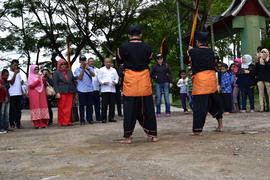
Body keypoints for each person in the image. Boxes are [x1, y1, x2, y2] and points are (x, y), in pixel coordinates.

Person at [117, 25, 159, 143]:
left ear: (129, 35)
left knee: (129, 111)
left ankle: (128, 137)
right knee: (148, 110)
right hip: (144, 81)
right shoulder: (147, 47)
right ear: (140, 35)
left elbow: (119, 61)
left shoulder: (123, 47)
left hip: (131, 82)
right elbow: (148, 59)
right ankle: (153, 135)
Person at [185, 31, 223, 135]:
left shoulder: (193, 52)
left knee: (199, 107)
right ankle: (220, 126)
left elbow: (186, 61)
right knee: (215, 103)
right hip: (211, 80)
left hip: (201, 81)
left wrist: (189, 52)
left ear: (197, 42)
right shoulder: (211, 51)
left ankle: (198, 130)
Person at [53, 59, 77, 126]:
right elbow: (55, 84)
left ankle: (68, 121)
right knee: (62, 108)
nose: (63, 65)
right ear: (59, 65)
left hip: (70, 91)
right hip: (61, 92)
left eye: (65, 64)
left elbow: (73, 80)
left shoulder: (69, 71)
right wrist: (57, 92)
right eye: (62, 64)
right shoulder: (56, 73)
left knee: (69, 108)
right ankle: (63, 122)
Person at [74, 55, 95, 125]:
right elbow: (80, 78)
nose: (83, 62)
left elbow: (93, 75)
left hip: (90, 89)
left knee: (90, 106)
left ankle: (90, 119)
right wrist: (83, 69)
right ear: (79, 61)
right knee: (82, 106)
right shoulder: (77, 69)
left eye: (84, 60)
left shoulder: (90, 68)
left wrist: (88, 69)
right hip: (81, 90)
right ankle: (82, 120)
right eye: (82, 60)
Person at [97, 58, 119, 123]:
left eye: (109, 62)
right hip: (104, 90)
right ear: (104, 63)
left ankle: (111, 117)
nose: (108, 63)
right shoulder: (101, 70)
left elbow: (117, 78)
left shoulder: (114, 70)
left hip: (112, 89)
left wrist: (115, 82)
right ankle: (103, 118)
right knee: (104, 105)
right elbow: (99, 78)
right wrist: (103, 82)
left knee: (112, 105)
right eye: (107, 62)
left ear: (111, 63)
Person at [8, 60, 23, 129]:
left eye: (17, 65)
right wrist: (15, 74)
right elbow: (11, 83)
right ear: (11, 65)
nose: (16, 67)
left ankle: (18, 123)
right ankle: (12, 123)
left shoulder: (18, 73)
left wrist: (23, 91)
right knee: (12, 110)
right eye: (14, 65)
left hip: (19, 94)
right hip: (12, 94)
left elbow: (20, 83)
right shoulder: (8, 73)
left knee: (19, 110)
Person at [88, 57, 101, 122]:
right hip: (89, 90)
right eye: (90, 61)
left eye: (93, 61)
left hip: (96, 89)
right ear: (88, 62)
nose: (92, 62)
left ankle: (98, 117)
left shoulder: (98, 70)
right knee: (90, 105)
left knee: (97, 105)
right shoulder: (86, 70)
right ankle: (90, 119)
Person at [0, 69, 10, 134]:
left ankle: (6, 126)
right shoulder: (1, 80)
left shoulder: (6, 81)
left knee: (6, 113)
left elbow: (6, 88)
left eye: (8, 75)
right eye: (6, 75)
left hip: (7, 98)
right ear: (2, 75)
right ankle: (1, 128)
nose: (7, 77)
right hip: (2, 99)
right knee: (2, 113)